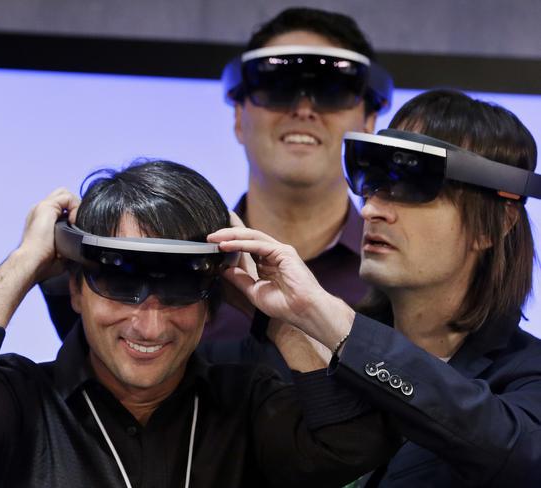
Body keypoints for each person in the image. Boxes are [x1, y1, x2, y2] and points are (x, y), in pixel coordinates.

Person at [0, 160, 398, 488]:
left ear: (211, 296)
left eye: (178, 289)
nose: (149, 323)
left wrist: (276, 314)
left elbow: (352, 442)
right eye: (119, 283)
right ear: (74, 287)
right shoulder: (23, 405)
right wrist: (27, 259)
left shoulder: (247, 402)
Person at [208, 89, 541, 486]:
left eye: (413, 186)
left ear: (498, 224)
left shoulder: (528, 376)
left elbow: (516, 452)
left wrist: (332, 322)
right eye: (373, 181)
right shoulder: (305, 357)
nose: (370, 209)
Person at [42, 7, 393, 378]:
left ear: (369, 122)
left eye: (331, 91)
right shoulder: (186, 262)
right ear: (239, 117)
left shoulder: (398, 277)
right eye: (277, 87)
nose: (303, 108)